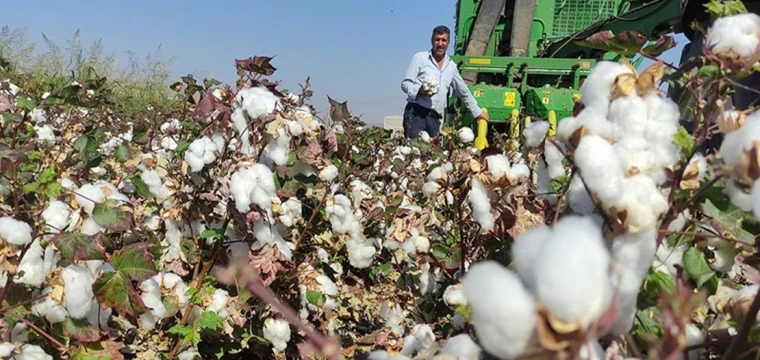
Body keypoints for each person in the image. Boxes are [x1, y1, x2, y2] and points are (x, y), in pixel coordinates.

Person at [400, 25, 489, 139]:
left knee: (433, 152)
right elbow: (405, 84)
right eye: (437, 39)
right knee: (415, 151)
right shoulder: (420, 58)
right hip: (416, 113)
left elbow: (463, 92)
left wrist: (478, 112)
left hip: (435, 118)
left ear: (448, 42)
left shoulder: (451, 66)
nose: (440, 43)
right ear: (432, 41)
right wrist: (419, 91)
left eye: (443, 40)